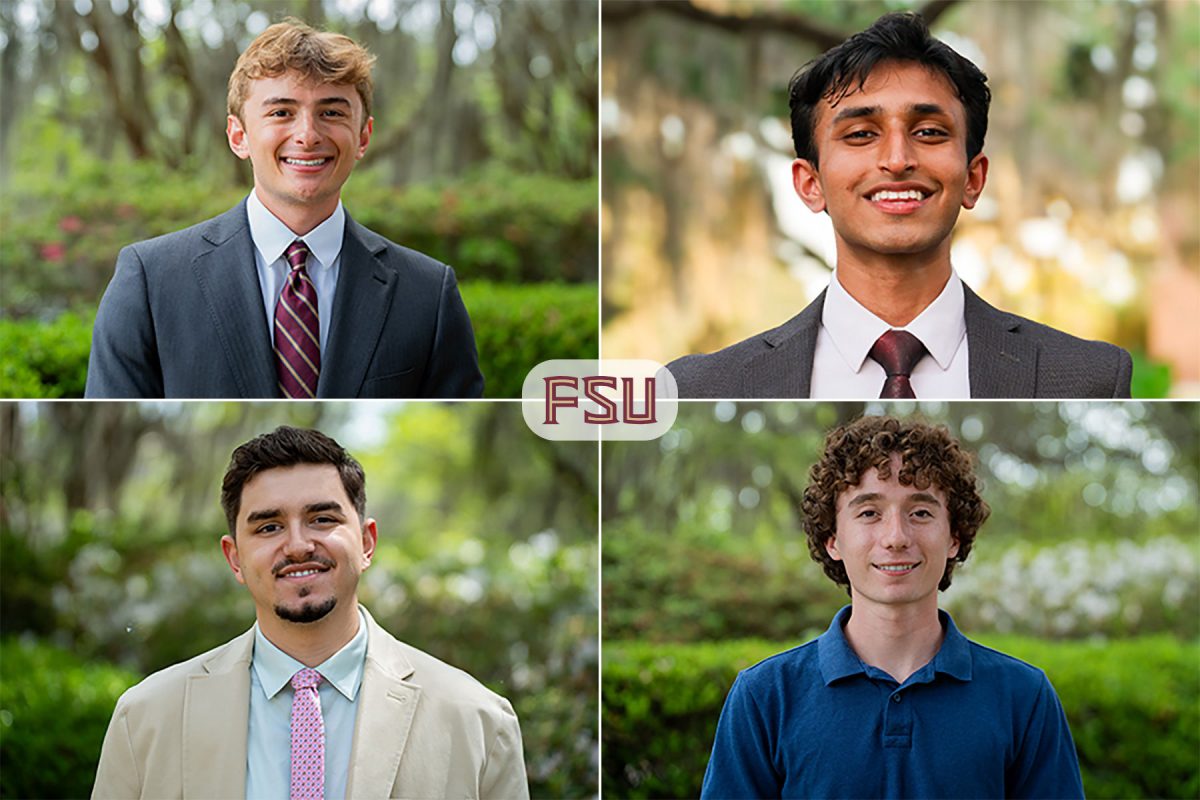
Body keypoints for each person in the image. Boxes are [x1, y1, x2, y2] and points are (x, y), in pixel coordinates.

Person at [668, 12, 1131, 399]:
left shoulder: (1088, 377)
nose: (897, 160)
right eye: (861, 135)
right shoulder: (700, 388)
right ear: (810, 184)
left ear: (974, 178)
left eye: (929, 132)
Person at [92, 426, 528, 799]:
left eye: (321, 519)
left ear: (367, 542)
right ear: (235, 559)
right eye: (268, 527)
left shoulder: (477, 720)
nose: (298, 544)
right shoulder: (146, 719)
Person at [85, 20, 484, 399]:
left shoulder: (428, 294)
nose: (308, 135)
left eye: (331, 112)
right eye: (281, 112)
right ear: (238, 136)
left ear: (363, 136)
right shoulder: (150, 281)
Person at [700, 416, 1085, 799]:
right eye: (869, 513)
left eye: (920, 512)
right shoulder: (765, 697)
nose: (896, 537)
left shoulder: (1023, 696)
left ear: (954, 537)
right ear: (833, 539)